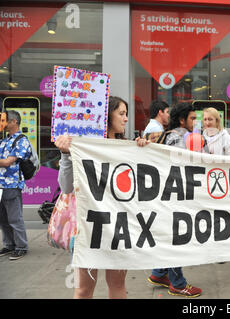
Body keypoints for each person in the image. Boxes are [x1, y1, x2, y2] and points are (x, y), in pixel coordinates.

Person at [54, 96, 130, 298]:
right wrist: (66, 155)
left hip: (117, 228)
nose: (126, 119)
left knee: (117, 285)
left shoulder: (127, 148)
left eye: (126, 114)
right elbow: (67, 186)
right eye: (121, 114)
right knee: (83, 289)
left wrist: (143, 151)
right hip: (86, 229)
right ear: (107, 116)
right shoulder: (81, 146)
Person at [146, 102, 203, 297]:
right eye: (193, 118)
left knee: (169, 235)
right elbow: (176, 168)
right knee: (176, 239)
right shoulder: (177, 138)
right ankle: (178, 283)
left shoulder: (167, 135)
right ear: (182, 120)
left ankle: (159, 273)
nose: (196, 122)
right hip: (172, 196)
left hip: (162, 195)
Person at [0, 110, 32, 261]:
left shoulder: (21, 141)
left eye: (5, 121)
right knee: (3, 218)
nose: (3, 124)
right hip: (1, 185)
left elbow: (7, 162)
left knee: (14, 217)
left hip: (11, 184)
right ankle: (9, 244)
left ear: (14, 122)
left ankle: (21, 246)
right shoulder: (4, 140)